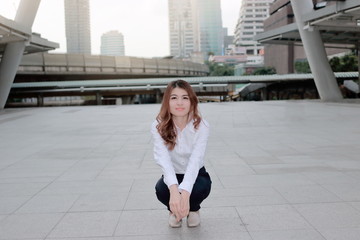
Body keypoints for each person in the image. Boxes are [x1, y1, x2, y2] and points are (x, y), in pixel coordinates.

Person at [151, 79, 212, 228]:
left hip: (196, 173)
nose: (179, 103)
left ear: (192, 101)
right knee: (162, 190)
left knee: (198, 189)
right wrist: (173, 191)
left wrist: (184, 195)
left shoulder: (202, 125)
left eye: (185, 98)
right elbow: (163, 160)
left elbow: (195, 160)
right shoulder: (158, 126)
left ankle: (193, 210)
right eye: (174, 98)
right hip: (173, 172)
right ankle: (174, 211)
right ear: (167, 101)